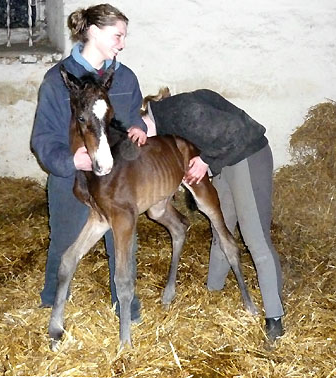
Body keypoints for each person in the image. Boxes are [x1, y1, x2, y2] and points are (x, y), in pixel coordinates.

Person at [136, 88, 284, 341]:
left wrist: (204, 160)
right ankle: (212, 294)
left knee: (255, 238)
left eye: (141, 140)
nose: (143, 146)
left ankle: (275, 317)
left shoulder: (179, 112)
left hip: (249, 156)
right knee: (221, 228)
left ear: (142, 121)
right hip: (226, 161)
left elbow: (236, 129)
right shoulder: (167, 119)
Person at [31, 4, 146, 321]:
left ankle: (125, 305)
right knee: (64, 241)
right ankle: (52, 303)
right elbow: (43, 138)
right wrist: (70, 161)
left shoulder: (124, 79)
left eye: (123, 36)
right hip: (70, 176)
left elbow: (131, 119)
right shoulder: (57, 81)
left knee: (123, 241)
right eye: (117, 35)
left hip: (116, 178)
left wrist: (141, 128)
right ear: (93, 32)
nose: (122, 43)